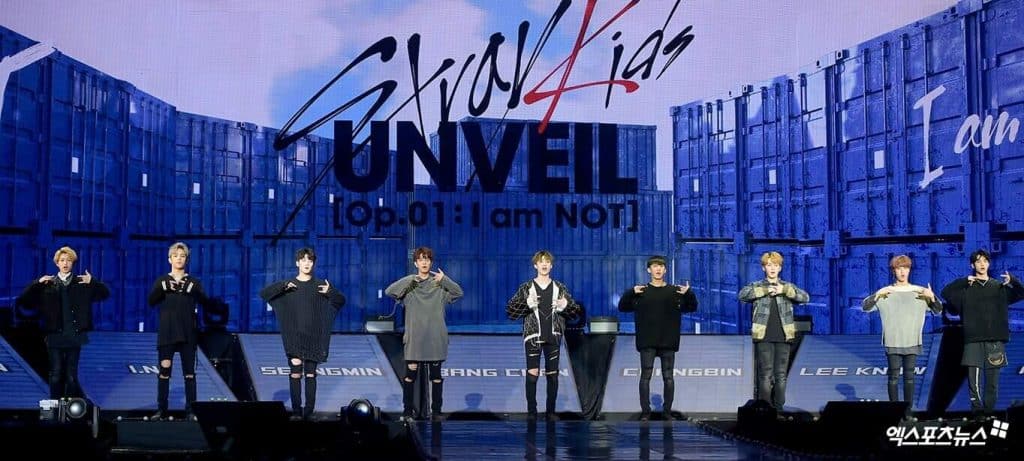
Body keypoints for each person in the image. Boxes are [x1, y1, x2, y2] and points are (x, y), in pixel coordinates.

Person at [260, 247, 346, 421]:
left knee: (311, 374)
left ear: (313, 263)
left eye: (310, 260)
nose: (307, 263)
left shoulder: (320, 286)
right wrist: (282, 286)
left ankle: (309, 412)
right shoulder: (289, 286)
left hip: (314, 336)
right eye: (303, 260)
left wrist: (330, 292)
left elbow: (340, 301)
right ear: (297, 263)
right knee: (295, 372)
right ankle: (296, 412)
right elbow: (265, 294)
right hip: (294, 336)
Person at [16, 246, 110, 399]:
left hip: (74, 335)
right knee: (56, 374)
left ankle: (69, 407)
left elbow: (105, 294)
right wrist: (37, 283)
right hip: (55, 335)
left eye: (68, 260)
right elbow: (24, 299)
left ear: (73, 263)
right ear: (57, 263)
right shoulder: (48, 284)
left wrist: (93, 282)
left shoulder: (81, 283)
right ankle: (55, 405)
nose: (65, 263)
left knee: (71, 376)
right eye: (62, 260)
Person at [941, 249, 1024, 418]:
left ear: (989, 264)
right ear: (972, 265)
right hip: (973, 340)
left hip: (995, 340)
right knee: (974, 382)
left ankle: (988, 413)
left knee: (992, 382)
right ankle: (977, 413)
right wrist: (963, 281)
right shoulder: (965, 289)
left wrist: (1013, 281)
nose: (982, 264)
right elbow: (946, 293)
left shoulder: (999, 287)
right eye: (978, 261)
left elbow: (1022, 293)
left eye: (985, 261)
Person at [385, 247, 463, 422]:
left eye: (427, 259)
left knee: (436, 377)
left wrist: (445, 280)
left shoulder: (439, 286)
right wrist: (410, 279)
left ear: (431, 262)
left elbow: (458, 292)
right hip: (415, 339)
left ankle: (436, 412)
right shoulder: (410, 286)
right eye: (421, 259)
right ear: (416, 263)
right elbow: (390, 291)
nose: (424, 262)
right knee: (410, 375)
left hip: (436, 339)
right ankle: (407, 412)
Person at [617, 255, 698, 421]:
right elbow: (622, 307)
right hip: (647, 341)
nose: (658, 269)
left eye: (661, 266)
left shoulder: (674, 292)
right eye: (654, 266)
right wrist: (630, 292)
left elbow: (692, 307)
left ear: (665, 270)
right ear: (649, 270)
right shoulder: (641, 292)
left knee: (668, 378)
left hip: (668, 341)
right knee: (645, 376)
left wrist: (688, 294)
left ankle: (667, 412)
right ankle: (646, 413)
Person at [506, 250, 581, 421]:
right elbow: (510, 311)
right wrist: (526, 304)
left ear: (551, 265)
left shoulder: (560, 288)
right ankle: (532, 412)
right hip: (533, 336)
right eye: (541, 262)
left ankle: (550, 412)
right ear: (535, 265)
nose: (544, 264)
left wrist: (566, 305)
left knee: (552, 375)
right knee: (532, 374)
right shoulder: (526, 287)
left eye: (547, 261)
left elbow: (574, 313)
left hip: (553, 335)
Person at [861, 255, 941, 411]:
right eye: (899, 268)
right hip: (893, 341)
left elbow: (938, 310)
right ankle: (894, 411)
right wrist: (877, 294)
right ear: (893, 271)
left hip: (912, 340)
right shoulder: (886, 292)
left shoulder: (920, 291)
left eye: (906, 268)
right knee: (893, 377)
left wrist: (932, 298)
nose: (903, 272)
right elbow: (865, 307)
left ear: (910, 270)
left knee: (909, 378)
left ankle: (907, 411)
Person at [147, 242, 214, 420]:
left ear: (186, 260)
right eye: (175, 256)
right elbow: (151, 301)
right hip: (167, 333)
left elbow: (206, 302)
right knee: (164, 371)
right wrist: (163, 289)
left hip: (188, 334)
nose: (179, 259)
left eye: (182, 256)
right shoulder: (162, 281)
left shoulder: (193, 282)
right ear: (169, 259)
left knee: (189, 374)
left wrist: (194, 292)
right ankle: (161, 410)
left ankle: (191, 411)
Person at [738, 251, 809, 413]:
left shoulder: (787, 286)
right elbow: (742, 295)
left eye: (775, 265)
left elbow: (805, 297)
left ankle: (779, 409)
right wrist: (765, 291)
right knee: (765, 374)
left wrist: (785, 291)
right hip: (763, 336)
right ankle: (765, 409)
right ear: (763, 268)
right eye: (769, 265)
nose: (772, 268)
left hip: (784, 336)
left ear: (780, 268)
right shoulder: (757, 285)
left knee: (781, 375)